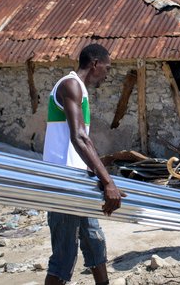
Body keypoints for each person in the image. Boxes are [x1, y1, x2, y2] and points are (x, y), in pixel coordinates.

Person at [43, 44, 125, 285]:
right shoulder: (70, 85)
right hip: (64, 182)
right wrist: (107, 181)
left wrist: (97, 176)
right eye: (107, 68)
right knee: (64, 257)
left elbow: (79, 143)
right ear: (95, 64)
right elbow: (79, 138)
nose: (108, 74)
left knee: (94, 242)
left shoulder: (80, 90)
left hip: (79, 180)